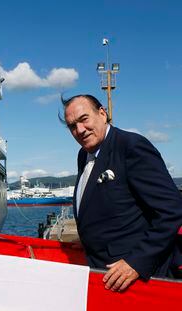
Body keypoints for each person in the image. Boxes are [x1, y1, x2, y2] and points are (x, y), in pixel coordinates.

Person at [61, 94, 182, 292]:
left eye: (84, 119)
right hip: (101, 272)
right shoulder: (84, 154)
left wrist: (137, 262)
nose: (80, 130)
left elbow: (172, 210)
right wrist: (88, 239)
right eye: (72, 126)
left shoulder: (131, 147)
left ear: (102, 113)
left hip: (134, 279)